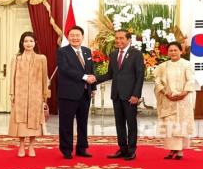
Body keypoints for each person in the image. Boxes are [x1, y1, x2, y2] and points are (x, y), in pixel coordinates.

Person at [96, 29, 144, 160]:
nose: (118, 41)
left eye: (121, 38)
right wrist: (94, 79)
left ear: (128, 39)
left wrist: (136, 95)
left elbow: (140, 76)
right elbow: (110, 74)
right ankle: (122, 149)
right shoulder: (113, 54)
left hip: (130, 96)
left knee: (131, 123)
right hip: (116, 94)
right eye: (116, 38)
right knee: (119, 124)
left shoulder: (136, 54)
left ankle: (131, 150)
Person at [57, 25, 96, 159]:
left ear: (82, 37)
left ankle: (82, 148)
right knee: (66, 123)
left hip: (85, 93)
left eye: (77, 35)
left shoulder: (87, 51)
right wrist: (84, 77)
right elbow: (65, 70)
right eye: (72, 35)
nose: (75, 38)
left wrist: (94, 88)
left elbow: (91, 69)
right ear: (68, 37)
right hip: (68, 94)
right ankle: (66, 150)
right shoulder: (63, 52)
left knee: (83, 122)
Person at [9, 31, 49, 158]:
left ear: (35, 43)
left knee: (34, 121)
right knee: (20, 121)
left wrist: (44, 95)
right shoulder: (16, 58)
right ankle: (21, 146)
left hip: (36, 95)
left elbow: (44, 78)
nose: (28, 43)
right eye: (26, 41)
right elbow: (12, 77)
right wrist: (12, 93)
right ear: (22, 43)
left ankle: (31, 146)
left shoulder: (41, 58)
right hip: (20, 94)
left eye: (31, 41)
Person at [153, 41, 194, 160]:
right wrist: (166, 93)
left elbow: (190, 81)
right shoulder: (163, 66)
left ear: (181, 51)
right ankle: (171, 150)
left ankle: (180, 151)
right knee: (170, 125)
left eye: (175, 50)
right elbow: (157, 82)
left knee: (180, 125)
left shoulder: (187, 64)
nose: (173, 52)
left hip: (182, 100)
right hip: (168, 99)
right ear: (167, 52)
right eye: (171, 50)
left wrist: (184, 93)